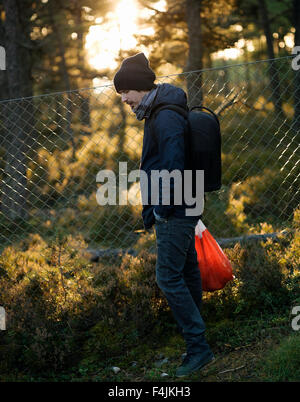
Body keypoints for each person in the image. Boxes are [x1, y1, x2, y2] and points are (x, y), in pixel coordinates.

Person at [113, 52, 214, 377]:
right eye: (120, 93)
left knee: (167, 276)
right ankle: (195, 340)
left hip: (176, 207)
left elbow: (173, 164)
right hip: (181, 203)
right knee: (186, 271)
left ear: (140, 87)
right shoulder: (158, 110)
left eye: (126, 91)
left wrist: (162, 208)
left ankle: (198, 348)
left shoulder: (165, 115)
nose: (124, 99)